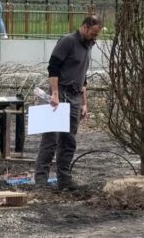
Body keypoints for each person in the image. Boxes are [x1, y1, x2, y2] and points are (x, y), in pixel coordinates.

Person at [34, 15, 102, 191]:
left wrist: (84, 103)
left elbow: (82, 76)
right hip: (61, 93)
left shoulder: (89, 45)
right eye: (93, 33)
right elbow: (53, 68)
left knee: (69, 139)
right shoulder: (68, 41)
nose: (95, 37)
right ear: (85, 27)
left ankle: (63, 179)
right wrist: (55, 93)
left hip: (75, 96)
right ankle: (41, 180)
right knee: (51, 139)